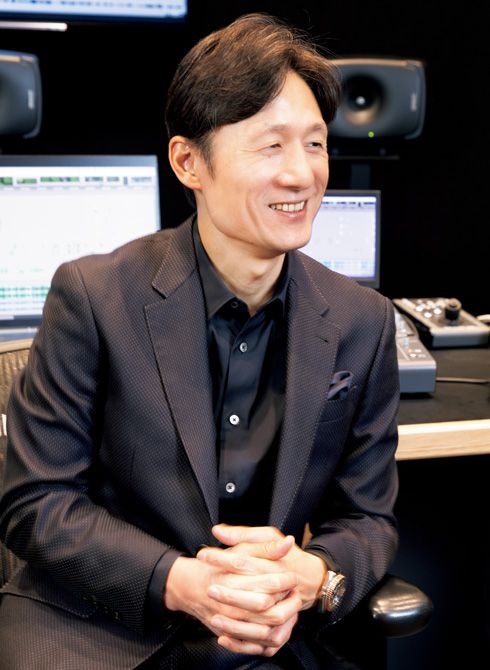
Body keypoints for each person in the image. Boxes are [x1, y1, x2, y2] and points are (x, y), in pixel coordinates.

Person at [0, 13, 400, 669]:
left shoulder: (362, 320)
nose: (302, 174)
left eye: (315, 144)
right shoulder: (93, 296)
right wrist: (185, 583)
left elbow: (368, 519)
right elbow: (36, 504)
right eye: (271, 147)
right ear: (189, 162)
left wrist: (312, 576)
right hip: (99, 627)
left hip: (268, 629)